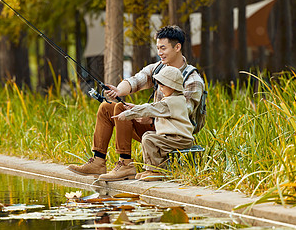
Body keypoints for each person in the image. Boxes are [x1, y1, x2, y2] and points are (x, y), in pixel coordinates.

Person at [67, 25, 204, 181]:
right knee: (106, 107)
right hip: (155, 124)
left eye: (163, 48)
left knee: (119, 108)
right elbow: (136, 80)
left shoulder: (192, 79)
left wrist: (150, 118)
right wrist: (118, 91)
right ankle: (98, 161)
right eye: (158, 48)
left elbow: (184, 113)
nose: (159, 52)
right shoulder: (158, 68)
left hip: (173, 132)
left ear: (177, 47)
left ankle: (125, 165)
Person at [111, 66, 194, 181]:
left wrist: (128, 114)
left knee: (149, 139)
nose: (160, 89)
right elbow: (153, 108)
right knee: (149, 136)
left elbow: (151, 108)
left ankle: (157, 170)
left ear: (172, 86)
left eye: (162, 86)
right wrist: (135, 107)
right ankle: (151, 170)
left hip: (179, 139)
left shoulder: (172, 102)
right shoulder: (174, 100)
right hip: (173, 137)